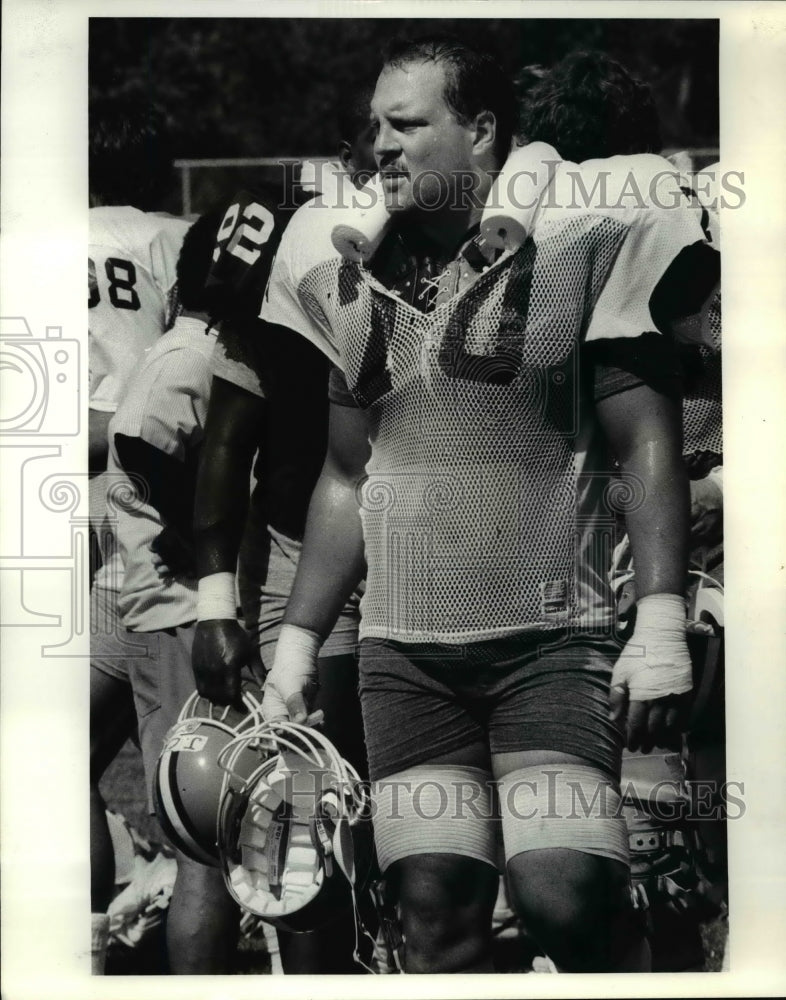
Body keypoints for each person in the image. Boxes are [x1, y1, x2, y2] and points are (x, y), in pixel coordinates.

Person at [258, 34, 713, 973]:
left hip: (551, 633)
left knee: (563, 892)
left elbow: (646, 436)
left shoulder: (582, 228)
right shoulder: (345, 263)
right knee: (433, 914)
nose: (380, 144)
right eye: (374, 124)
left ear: (482, 132)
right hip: (405, 648)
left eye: (408, 123)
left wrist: (661, 615)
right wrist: (298, 644)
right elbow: (349, 472)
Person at [190, 106, 377, 973]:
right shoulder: (294, 242)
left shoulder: (478, 229)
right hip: (310, 551)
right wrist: (215, 600)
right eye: (381, 136)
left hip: (442, 556)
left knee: (416, 821)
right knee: (307, 810)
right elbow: (228, 438)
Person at [90, 208, 243, 975]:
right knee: (207, 838)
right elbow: (139, 445)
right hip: (177, 608)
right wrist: (211, 552)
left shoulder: (201, 349)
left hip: (169, 601)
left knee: (223, 829)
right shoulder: (188, 354)